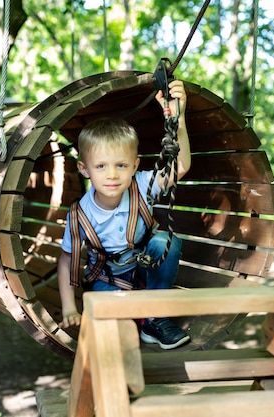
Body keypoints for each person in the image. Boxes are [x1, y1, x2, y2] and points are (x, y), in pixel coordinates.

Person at [57, 80, 192, 350]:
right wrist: (69, 307)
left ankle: (155, 318)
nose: (112, 174)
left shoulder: (142, 185)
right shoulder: (81, 214)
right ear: (84, 169)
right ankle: (131, 325)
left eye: (121, 165)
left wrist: (179, 119)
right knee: (112, 328)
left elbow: (181, 167)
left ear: (134, 166)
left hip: (146, 270)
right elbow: (66, 262)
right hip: (108, 279)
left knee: (166, 241)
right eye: (101, 166)